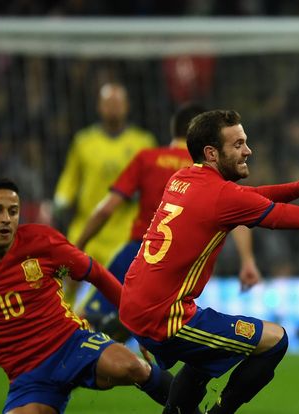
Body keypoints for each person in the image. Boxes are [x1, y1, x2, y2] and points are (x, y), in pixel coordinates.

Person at [119, 109, 299, 414]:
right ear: (211, 153)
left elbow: (250, 195)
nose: (248, 150)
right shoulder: (222, 196)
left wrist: (298, 187)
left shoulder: (182, 178)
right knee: (275, 340)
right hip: (165, 316)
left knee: (206, 357)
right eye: (238, 145)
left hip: (135, 303)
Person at [0, 177, 175, 414]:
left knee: (132, 367)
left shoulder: (42, 241)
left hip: (72, 344)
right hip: (28, 375)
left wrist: (136, 324)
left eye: (13, 212)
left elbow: (96, 274)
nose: (6, 218)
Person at [74, 103, 261, 337]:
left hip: (142, 255)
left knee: (87, 319)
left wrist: (78, 245)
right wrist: (247, 261)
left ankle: (75, 367)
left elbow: (106, 209)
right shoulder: (213, 166)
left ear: (174, 128)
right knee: (152, 328)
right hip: (186, 267)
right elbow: (239, 213)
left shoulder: (148, 158)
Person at [53, 82, 156, 305]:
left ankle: (95, 330)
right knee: (67, 281)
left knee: (111, 293)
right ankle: (59, 327)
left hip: (122, 233)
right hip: (86, 227)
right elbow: (70, 178)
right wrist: (61, 200)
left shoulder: (142, 142)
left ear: (127, 106)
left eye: (118, 102)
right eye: (108, 102)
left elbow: (153, 183)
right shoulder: (84, 142)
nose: (113, 107)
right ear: (99, 107)